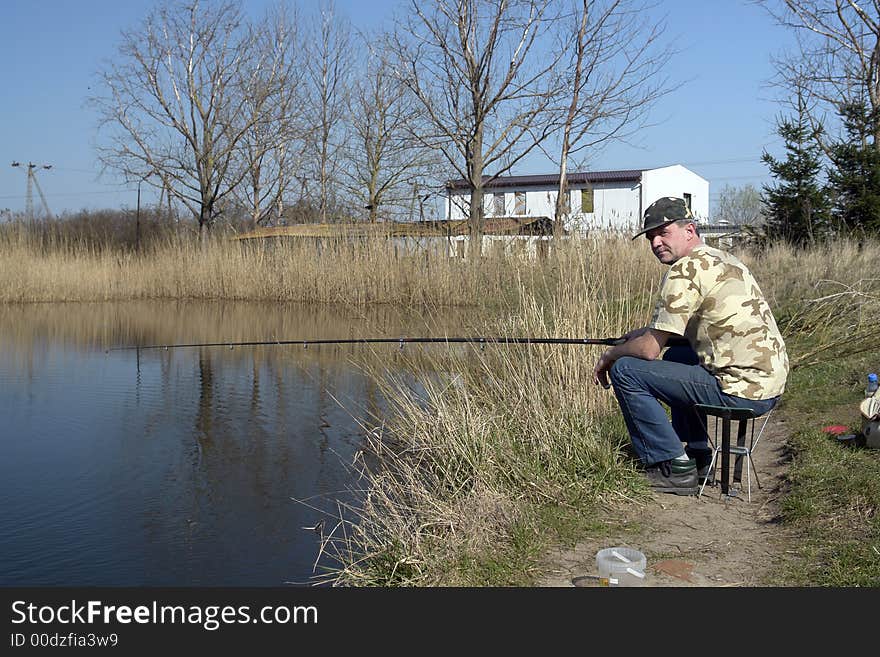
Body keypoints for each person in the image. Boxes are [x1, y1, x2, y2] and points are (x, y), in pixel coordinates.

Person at [592, 197, 789, 495]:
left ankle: (672, 467)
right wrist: (643, 332)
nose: (656, 242)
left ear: (689, 230)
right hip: (769, 386)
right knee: (680, 354)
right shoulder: (723, 260)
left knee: (626, 370)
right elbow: (684, 330)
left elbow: (648, 351)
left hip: (740, 392)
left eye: (663, 232)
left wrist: (610, 354)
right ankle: (696, 455)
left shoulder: (683, 271)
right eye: (650, 237)